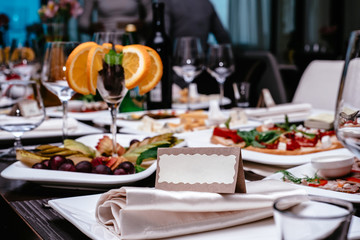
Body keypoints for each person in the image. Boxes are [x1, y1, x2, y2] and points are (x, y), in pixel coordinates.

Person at [160, 0, 232, 96]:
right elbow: (223, 38)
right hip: (203, 72)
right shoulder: (206, 3)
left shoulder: (167, 3)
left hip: (176, 73)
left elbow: (163, 38)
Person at [78, 0, 152, 42]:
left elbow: (153, 14)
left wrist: (143, 24)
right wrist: (92, 27)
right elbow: (83, 22)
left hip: (132, 38)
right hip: (106, 39)